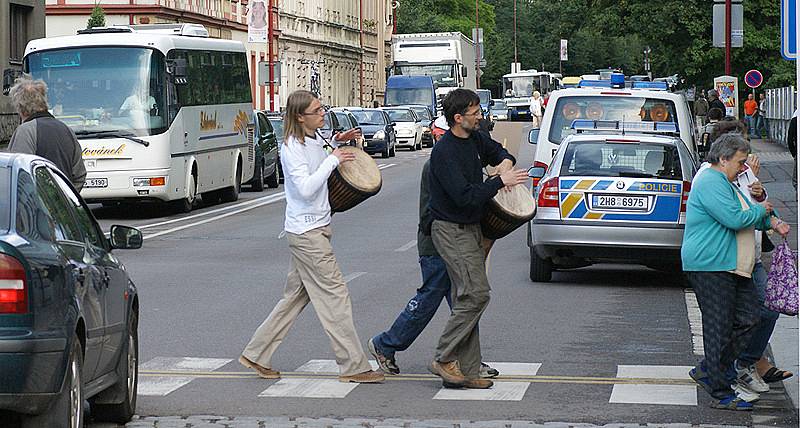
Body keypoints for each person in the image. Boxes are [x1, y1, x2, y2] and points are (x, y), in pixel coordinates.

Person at [239, 90, 384, 384]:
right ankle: (353, 365)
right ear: (299, 117)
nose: (322, 114)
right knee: (335, 295)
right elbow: (305, 188)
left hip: (311, 228)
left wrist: (338, 144)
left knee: (294, 298)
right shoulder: (292, 147)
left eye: (322, 109)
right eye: (317, 111)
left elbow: (320, 160)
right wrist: (332, 160)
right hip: (307, 233)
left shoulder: (314, 139)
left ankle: (256, 354)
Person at [427, 89, 529, 389]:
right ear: (458, 118)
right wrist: (499, 181)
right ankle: (444, 356)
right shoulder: (444, 152)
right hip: (450, 227)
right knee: (476, 294)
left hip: (471, 227)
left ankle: (469, 371)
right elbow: (463, 198)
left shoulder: (475, 138)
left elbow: (502, 153)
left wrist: (504, 166)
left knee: (467, 297)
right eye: (475, 113)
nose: (480, 117)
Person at [368, 159, 499, 379]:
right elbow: (461, 200)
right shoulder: (442, 162)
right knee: (434, 299)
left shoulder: (462, 162)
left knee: (465, 303)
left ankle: (468, 361)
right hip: (438, 242)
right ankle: (386, 343)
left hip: (454, 241)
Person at [683, 133, 785, 410]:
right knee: (719, 328)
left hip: (732, 265)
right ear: (723, 158)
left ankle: (710, 369)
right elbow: (735, 218)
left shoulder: (727, 182)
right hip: (710, 264)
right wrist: (761, 209)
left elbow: (746, 211)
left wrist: (767, 217)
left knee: (750, 317)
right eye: (740, 162)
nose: (744, 168)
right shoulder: (709, 181)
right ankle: (719, 391)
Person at [7, 76, 86, 190]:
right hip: (63, 205)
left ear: (21, 107)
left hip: (38, 205)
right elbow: (79, 175)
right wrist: (67, 200)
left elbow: (19, 177)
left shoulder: (26, 131)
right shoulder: (66, 129)